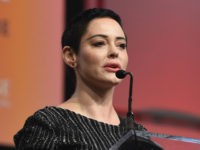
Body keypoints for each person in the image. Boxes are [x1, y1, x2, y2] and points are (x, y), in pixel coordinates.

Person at [14, 8, 146, 150]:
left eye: (121, 45)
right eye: (99, 43)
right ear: (71, 56)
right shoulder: (49, 125)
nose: (114, 52)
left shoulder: (138, 135)